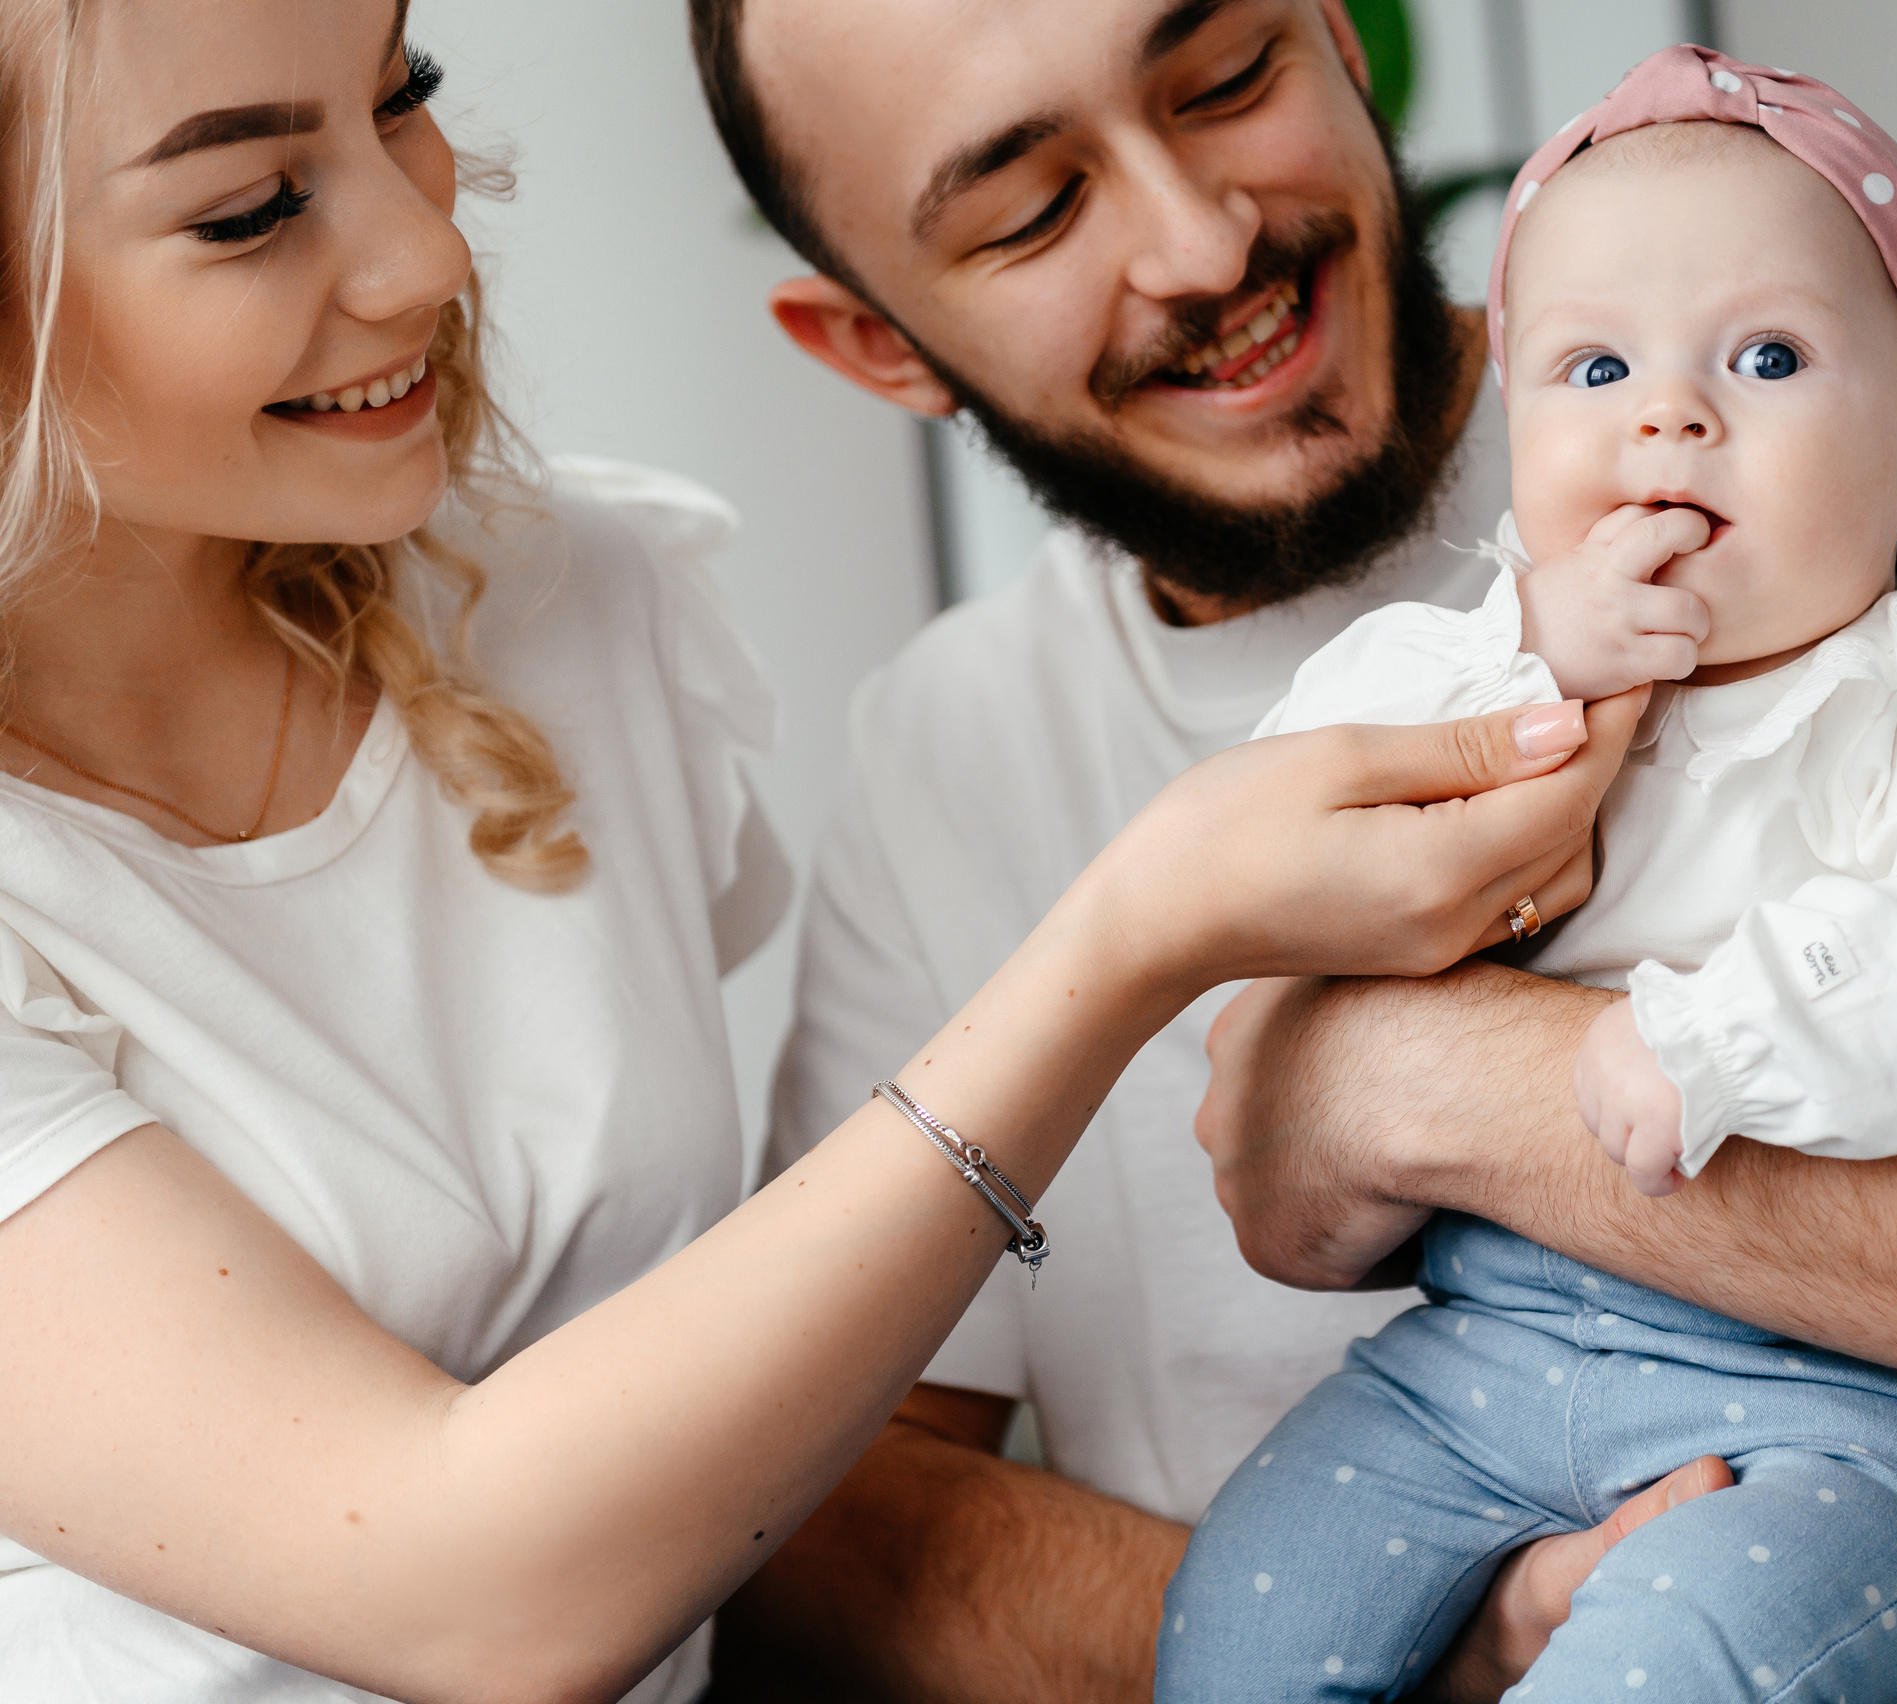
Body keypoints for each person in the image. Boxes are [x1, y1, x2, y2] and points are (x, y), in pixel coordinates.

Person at [695, 0, 1897, 1699]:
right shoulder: (944, 748)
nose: (1199, 241)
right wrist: (1463, 1648)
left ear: (1338, 29)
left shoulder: (1838, 459)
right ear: (876, 342)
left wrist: (1392, 1079)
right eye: (1032, 211)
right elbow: (823, 1523)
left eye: (1227, 73)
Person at [0, 2, 1629, 1698]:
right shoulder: (957, 747)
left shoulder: (563, 613)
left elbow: (770, 1440)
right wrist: (1136, 938)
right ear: (874, 347)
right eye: (250, 206)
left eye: (402, 93)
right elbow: (494, 1588)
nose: (430, 254)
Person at [1158, 51, 1897, 1704]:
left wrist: (1726, 1037)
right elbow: (1289, 814)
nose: (1671, 414)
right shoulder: (1468, 659)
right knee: (1241, 1614)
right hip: (1477, 1356)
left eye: (1767, 355)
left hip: (1839, 1397)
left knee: (1673, 1661)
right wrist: (1535, 651)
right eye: (1596, 366)